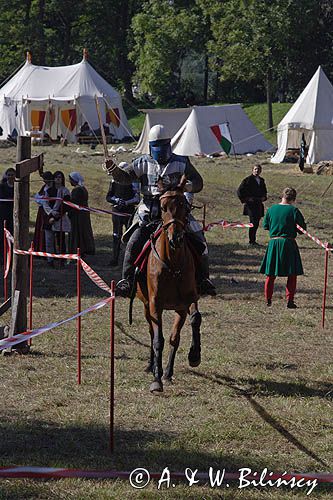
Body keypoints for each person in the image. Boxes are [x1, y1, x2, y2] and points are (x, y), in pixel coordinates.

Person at [104, 124, 216, 297]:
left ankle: (203, 280)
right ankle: (126, 280)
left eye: (163, 145)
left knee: (199, 240)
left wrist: (187, 186)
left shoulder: (181, 161)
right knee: (133, 242)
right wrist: (113, 169)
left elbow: (198, 183)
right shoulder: (141, 162)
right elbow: (124, 178)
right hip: (149, 211)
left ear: (169, 144)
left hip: (175, 211)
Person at [259, 187, 306, 309]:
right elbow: (302, 230)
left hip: (274, 243)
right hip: (288, 243)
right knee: (292, 273)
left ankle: (268, 299)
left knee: (270, 274)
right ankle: (290, 300)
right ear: (293, 198)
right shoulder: (294, 210)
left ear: (282, 196)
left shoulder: (271, 209)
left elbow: (266, 226)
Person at [106, 162, 140, 266]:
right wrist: (116, 200)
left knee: (130, 236)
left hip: (129, 211)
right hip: (116, 211)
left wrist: (127, 202)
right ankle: (114, 259)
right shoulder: (114, 181)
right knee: (116, 235)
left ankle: (131, 260)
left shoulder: (133, 182)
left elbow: (137, 198)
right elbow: (108, 197)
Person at [237, 164, 267, 245]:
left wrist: (264, 197)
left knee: (256, 223)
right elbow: (240, 191)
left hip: (258, 204)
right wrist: (246, 199)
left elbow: (264, 191)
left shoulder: (261, 180)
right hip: (251, 205)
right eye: (255, 169)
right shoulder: (247, 180)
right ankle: (252, 241)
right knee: (253, 223)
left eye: (258, 169)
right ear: (252, 170)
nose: (257, 171)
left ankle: (253, 240)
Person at [33, 171, 58, 267]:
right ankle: (40, 249)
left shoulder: (53, 188)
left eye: (46, 179)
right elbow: (38, 197)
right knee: (41, 230)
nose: (45, 181)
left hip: (48, 211)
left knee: (50, 233)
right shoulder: (44, 187)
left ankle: (50, 253)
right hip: (42, 211)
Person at [68, 172, 95, 257]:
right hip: (83, 213)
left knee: (78, 232)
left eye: (70, 179)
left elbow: (74, 202)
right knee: (83, 231)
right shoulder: (82, 188)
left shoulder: (77, 190)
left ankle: (80, 249)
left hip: (78, 214)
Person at [50, 171, 71, 258]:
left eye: (60, 177)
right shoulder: (50, 190)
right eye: (56, 177)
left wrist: (56, 217)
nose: (58, 179)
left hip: (60, 218)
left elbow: (65, 206)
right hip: (49, 216)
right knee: (50, 239)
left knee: (60, 239)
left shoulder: (65, 191)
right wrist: (50, 215)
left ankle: (62, 258)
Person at [0, 168, 15, 264]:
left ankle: (13, 256)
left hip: (14, 214)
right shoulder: (2, 187)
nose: (10, 177)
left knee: (13, 234)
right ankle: (2, 257)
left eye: (12, 175)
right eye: (8, 175)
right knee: (2, 235)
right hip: (3, 214)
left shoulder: (18, 187)